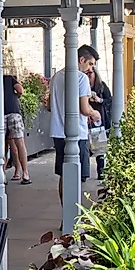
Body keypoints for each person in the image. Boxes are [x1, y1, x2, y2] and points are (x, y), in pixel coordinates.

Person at [48, 45, 102, 201]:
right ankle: (73, 216)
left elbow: (50, 106)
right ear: (81, 60)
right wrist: (94, 113)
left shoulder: (57, 77)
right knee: (78, 176)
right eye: (90, 64)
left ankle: (66, 214)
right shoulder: (81, 78)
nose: (91, 68)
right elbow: (84, 109)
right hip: (77, 133)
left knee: (64, 175)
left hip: (58, 131)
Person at [4, 74, 31, 184]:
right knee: (20, 143)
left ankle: (2, 174)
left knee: (2, 146)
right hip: (14, 112)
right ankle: (25, 174)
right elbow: (20, 90)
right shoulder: (9, 79)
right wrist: (16, 96)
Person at [88, 67, 112, 179]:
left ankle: (101, 171)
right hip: (87, 119)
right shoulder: (82, 85)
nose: (88, 76)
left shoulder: (101, 86)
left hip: (100, 121)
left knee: (100, 147)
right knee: (85, 146)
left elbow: (110, 100)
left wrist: (99, 100)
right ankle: (83, 172)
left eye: (90, 73)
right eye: (86, 73)